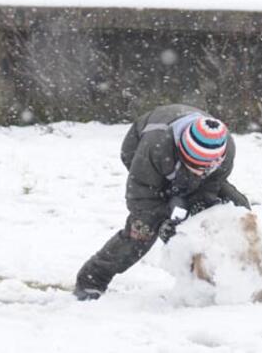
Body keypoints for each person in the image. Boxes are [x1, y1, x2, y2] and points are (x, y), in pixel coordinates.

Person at [74, 104, 250, 300]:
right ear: (183, 152)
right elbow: (140, 197)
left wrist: (200, 205)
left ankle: (225, 278)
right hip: (141, 150)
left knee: (236, 206)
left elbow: (210, 186)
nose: (201, 172)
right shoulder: (155, 146)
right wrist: (164, 219)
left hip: (183, 161)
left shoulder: (226, 150)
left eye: (206, 168)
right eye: (194, 165)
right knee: (142, 231)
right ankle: (92, 279)